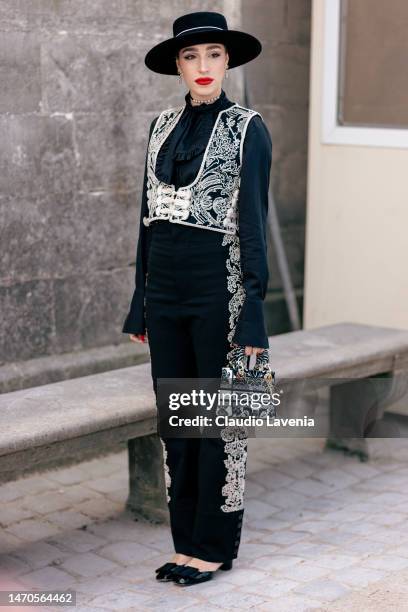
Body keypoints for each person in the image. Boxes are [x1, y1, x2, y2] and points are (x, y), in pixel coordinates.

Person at [122, 11, 272, 587]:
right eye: (191, 57)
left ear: (228, 60)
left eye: (213, 54)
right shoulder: (160, 127)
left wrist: (254, 312)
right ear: (178, 66)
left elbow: (254, 226)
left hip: (222, 294)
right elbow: (146, 222)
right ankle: (185, 543)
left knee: (220, 425)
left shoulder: (247, 128)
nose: (203, 67)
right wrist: (140, 300)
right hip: (165, 293)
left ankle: (214, 546)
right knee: (177, 425)